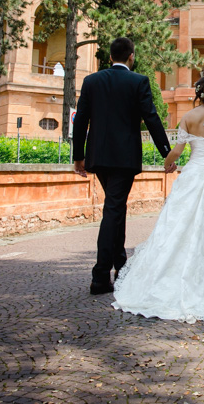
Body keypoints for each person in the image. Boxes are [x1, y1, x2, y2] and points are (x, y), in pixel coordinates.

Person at [111, 75, 204, 322]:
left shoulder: (187, 117)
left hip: (193, 174)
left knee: (179, 227)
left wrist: (169, 164)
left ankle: (170, 277)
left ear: (198, 93)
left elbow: (176, 151)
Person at [72, 37, 173, 296]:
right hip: (124, 158)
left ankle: (121, 266)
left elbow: (80, 120)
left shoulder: (91, 81)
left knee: (115, 207)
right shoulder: (138, 81)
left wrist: (78, 156)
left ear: (109, 58)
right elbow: (151, 116)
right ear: (132, 56)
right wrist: (166, 152)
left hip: (98, 156)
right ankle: (100, 275)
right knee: (114, 208)